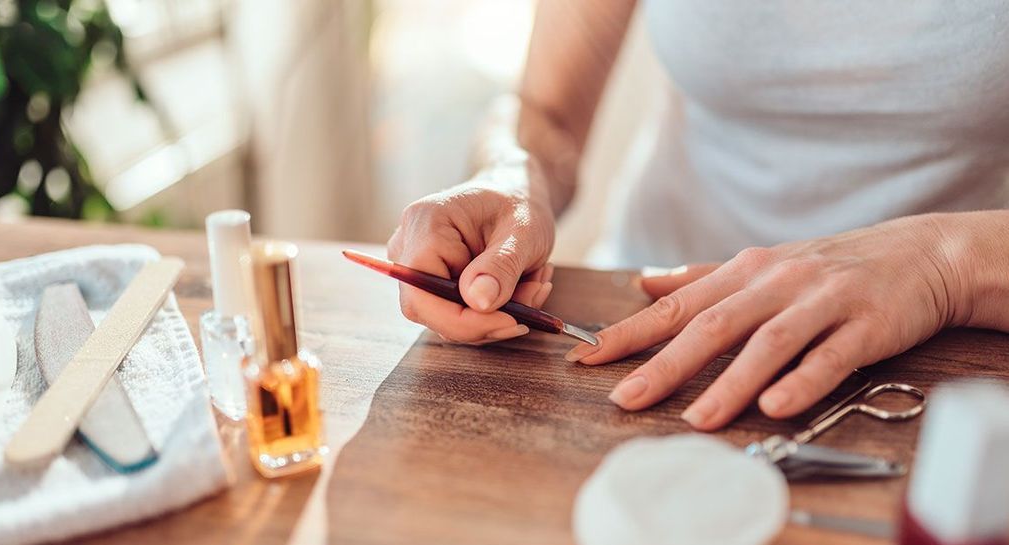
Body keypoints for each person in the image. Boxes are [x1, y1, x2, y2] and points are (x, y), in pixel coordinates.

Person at [386, 1, 1009, 430]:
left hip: (948, 360)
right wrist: (508, 171)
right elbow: (546, 113)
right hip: (638, 305)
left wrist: (942, 265)